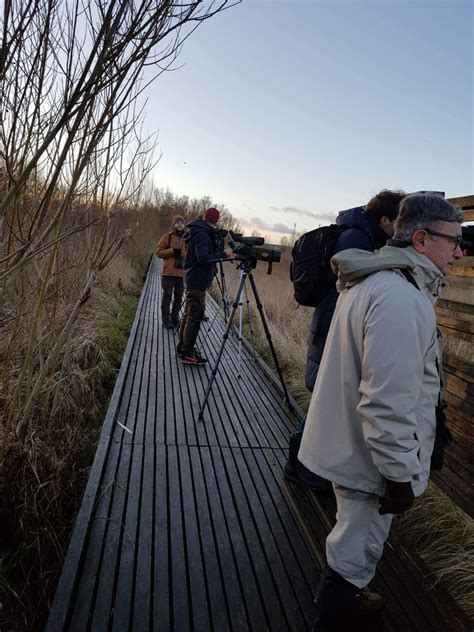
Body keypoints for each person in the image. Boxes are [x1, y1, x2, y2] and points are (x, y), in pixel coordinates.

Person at [298, 193, 463, 630]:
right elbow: (386, 401)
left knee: (352, 538)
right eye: (454, 242)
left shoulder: (380, 283)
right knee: (356, 547)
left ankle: (347, 596)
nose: (460, 253)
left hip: (349, 441)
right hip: (368, 458)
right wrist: (398, 475)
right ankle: (336, 613)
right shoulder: (399, 298)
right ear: (422, 239)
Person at [284, 189, 406, 490]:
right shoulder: (357, 240)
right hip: (334, 326)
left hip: (331, 323)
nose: (402, 230)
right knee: (328, 397)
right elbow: (357, 292)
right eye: (399, 223)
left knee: (327, 397)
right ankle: (303, 465)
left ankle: (303, 464)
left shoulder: (361, 234)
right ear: (384, 220)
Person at [177, 207, 233, 366]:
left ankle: (183, 347)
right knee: (195, 316)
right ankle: (187, 352)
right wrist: (224, 254)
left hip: (194, 279)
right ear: (214, 221)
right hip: (196, 280)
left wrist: (217, 239)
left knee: (189, 314)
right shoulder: (201, 234)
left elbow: (207, 252)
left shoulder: (200, 230)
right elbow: (203, 258)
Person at [156, 215, 187, 329]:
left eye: (182, 223)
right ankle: (165, 320)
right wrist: (172, 251)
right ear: (173, 224)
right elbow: (158, 252)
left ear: (184, 225)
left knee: (179, 298)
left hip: (180, 274)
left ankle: (175, 319)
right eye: (177, 222)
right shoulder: (167, 237)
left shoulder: (186, 239)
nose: (180, 224)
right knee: (167, 297)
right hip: (168, 273)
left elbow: (188, 255)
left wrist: (184, 255)